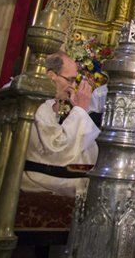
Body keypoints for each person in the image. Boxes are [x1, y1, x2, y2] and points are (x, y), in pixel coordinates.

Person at [21, 52, 100, 197]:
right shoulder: (38, 103)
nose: (72, 87)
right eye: (70, 80)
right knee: (98, 188)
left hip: (45, 170)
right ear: (51, 76)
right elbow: (57, 148)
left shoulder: (47, 102)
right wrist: (80, 110)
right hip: (36, 177)